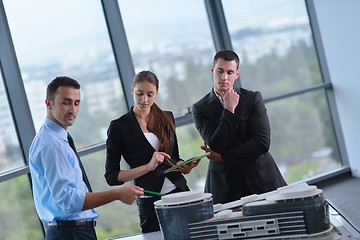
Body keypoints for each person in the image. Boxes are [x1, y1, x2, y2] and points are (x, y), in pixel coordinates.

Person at [29, 76, 144, 240]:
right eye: (66, 102)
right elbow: (69, 201)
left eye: (76, 103)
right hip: (70, 234)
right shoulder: (52, 144)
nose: (72, 110)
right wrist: (117, 193)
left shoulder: (54, 138)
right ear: (48, 103)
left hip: (72, 232)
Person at [105, 70, 199, 233]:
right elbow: (111, 177)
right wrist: (148, 167)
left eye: (150, 94)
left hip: (179, 193)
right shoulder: (118, 127)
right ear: (132, 89)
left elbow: (173, 157)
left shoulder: (167, 117)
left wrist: (184, 167)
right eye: (140, 93)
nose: (144, 99)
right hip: (150, 203)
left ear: (156, 94)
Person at [192, 49, 287, 205]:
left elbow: (262, 143)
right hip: (225, 184)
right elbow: (216, 144)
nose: (224, 77)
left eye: (230, 72)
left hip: (261, 177)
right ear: (212, 71)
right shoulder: (200, 108)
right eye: (220, 71)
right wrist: (229, 110)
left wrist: (223, 156)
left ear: (236, 74)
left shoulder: (252, 98)